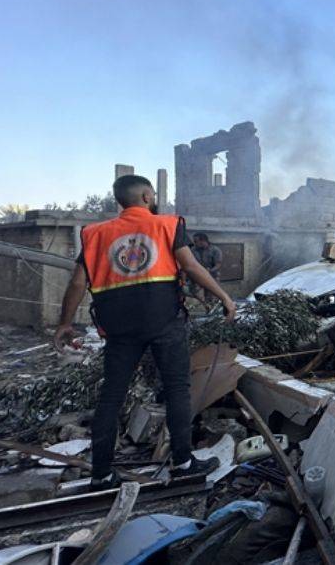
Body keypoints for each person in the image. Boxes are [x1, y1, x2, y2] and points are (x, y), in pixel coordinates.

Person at [53, 175, 234, 490]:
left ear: (120, 201)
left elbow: (78, 283)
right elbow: (191, 267)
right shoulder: (167, 225)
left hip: (119, 330)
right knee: (178, 389)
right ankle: (183, 463)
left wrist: (65, 324)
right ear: (147, 196)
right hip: (164, 322)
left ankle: (101, 474)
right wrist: (225, 297)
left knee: (111, 396)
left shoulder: (95, 234)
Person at [188, 233, 223, 305]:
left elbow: (218, 264)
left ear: (203, 241)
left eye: (195, 241)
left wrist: (210, 270)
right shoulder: (193, 250)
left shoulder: (215, 250)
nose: (194, 243)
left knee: (212, 298)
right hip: (197, 278)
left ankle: (212, 311)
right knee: (198, 298)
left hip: (212, 277)